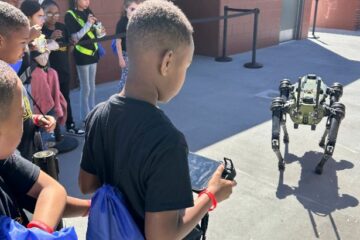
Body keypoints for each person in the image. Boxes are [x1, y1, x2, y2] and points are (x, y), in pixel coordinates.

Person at [79, 0, 236, 239]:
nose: (184, 76)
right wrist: (211, 195)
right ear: (167, 62)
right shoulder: (168, 142)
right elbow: (161, 236)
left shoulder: (98, 115)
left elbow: (86, 184)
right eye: (186, 67)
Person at [0, 60, 90, 233]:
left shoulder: (5, 160)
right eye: (21, 114)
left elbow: (52, 190)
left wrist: (37, 232)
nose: (26, 119)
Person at [0, 1, 57, 160]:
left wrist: (35, 119)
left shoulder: (11, 78)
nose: (25, 50)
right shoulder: (6, 78)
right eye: (22, 43)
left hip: (25, 153)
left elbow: (19, 115)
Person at [42, 0, 84, 136]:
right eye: (49, 13)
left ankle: (69, 124)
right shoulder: (41, 30)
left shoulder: (63, 27)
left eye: (56, 13)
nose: (53, 16)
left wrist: (72, 44)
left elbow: (68, 50)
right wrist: (50, 38)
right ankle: (54, 131)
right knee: (52, 102)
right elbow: (39, 51)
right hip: (49, 73)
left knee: (65, 99)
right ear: (43, 13)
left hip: (64, 71)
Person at [65, 0, 104, 122]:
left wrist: (100, 30)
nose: (88, 1)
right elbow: (74, 38)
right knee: (85, 87)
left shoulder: (88, 11)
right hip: (82, 54)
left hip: (93, 53)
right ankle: (85, 117)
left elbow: (95, 32)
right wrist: (88, 24)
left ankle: (93, 112)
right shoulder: (70, 15)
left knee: (92, 85)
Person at [115, 0, 141, 92]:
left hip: (135, 54)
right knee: (125, 79)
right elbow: (118, 42)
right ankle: (118, 100)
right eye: (132, 9)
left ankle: (131, 98)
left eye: (136, 9)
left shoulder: (136, 21)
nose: (134, 12)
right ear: (126, 8)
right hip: (126, 54)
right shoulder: (121, 23)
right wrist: (121, 58)